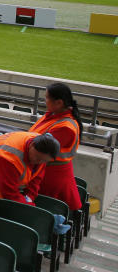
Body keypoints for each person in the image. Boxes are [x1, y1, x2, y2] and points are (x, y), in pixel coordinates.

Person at [28, 82, 83, 210]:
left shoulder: (65, 127)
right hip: (44, 175)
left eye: (47, 98)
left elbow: (39, 148)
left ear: (59, 103)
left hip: (51, 181)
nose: (45, 101)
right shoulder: (53, 116)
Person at [0, 131, 60, 205]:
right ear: (32, 145)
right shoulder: (10, 157)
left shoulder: (42, 149)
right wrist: (28, 208)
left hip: (1, 178)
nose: (39, 162)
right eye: (37, 158)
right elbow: (9, 192)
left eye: (44, 161)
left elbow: (36, 179)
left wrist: (29, 198)